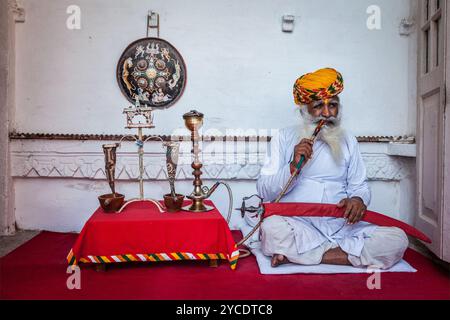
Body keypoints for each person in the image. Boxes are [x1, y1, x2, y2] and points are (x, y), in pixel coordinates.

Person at [257, 68, 409, 269]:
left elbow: (359, 186)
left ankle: (306, 255)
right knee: (271, 228)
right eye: (319, 105)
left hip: (342, 226)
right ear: (304, 109)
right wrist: (292, 166)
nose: (327, 113)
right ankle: (348, 254)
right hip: (299, 224)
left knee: (397, 239)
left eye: (333, 105)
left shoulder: (348, 140)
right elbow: (264, 191)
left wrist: (357, 200)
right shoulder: (283, 138)